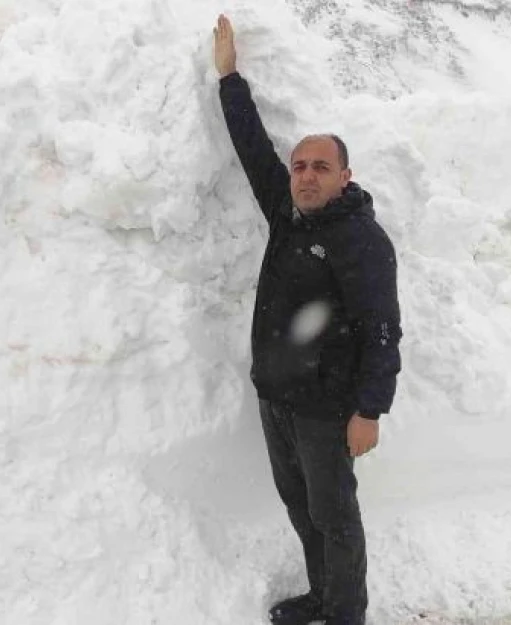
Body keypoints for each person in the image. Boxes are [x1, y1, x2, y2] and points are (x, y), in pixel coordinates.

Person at [212, 14, 402, 625]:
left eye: (320, 167)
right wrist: (228, 76)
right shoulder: (287, 213)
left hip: (326, 410)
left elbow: (381, 329)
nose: (306, 176)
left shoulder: (361, 240)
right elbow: (252, 149)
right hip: (277, 400)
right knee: (300, 506)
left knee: (335, 518)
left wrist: (369, 411)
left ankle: (346, 614)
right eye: (300, 167)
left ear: (345, 175)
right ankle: (322, 596)